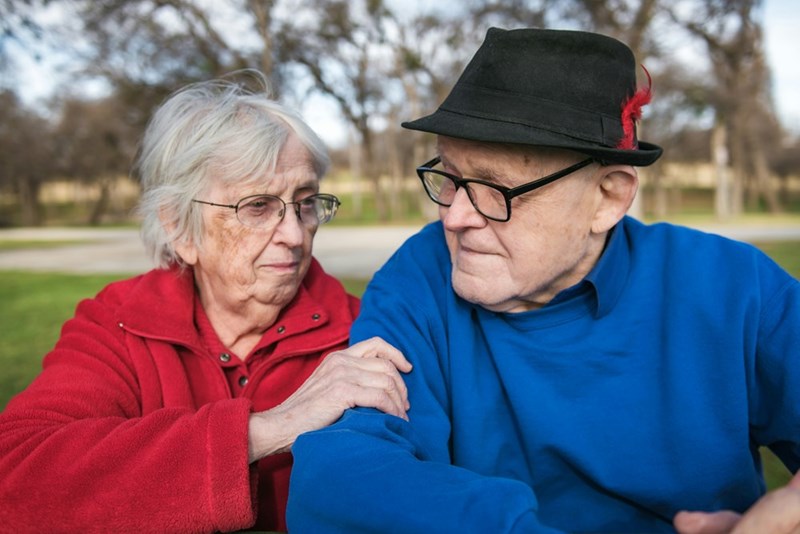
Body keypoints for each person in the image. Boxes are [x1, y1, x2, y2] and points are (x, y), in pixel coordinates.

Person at [286, 28, 800, 533]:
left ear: (608, 198)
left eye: (494, 188)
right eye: (450, 177)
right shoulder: (420, 278)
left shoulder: (733, 287)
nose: (455, 218)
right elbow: (337, 483)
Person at [0, 73, 411, 533]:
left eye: (306, 201)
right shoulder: (119, 324)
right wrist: (268, 430)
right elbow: (17, 478)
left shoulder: (363, 334)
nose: (295, 235)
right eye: (257, 206)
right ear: (179, 227)